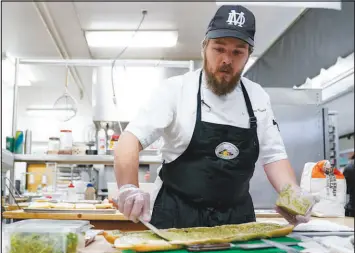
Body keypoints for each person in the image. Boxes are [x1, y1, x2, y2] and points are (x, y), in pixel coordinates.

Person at [114, 5, 316, 228]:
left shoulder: (257, 97)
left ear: (248, 55)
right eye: (219, 49)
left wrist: (293, 195)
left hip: (237, 219)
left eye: (237, 52)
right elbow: (129, 140)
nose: (227, 60)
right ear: (204, 48)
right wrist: (128, 187)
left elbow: (274, 155)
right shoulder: (175, 90)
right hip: (176, 214)